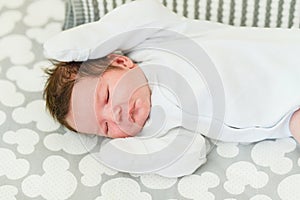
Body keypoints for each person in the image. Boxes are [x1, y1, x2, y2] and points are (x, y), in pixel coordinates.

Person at [43, 0, 300, 177]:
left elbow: (144, 12)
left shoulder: (159, 44)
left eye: (107, 97)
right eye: (106, 128)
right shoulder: (155, 129)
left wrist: (88, 40)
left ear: (121, 62)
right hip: (287, 115)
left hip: (288, 53)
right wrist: (118, 153)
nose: (115, 116)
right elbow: (188, 154)